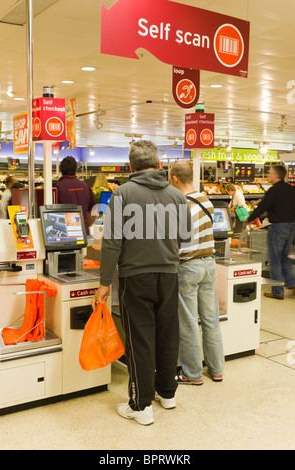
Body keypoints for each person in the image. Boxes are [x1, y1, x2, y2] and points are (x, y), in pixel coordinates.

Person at [92, 140, 191, 426]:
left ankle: (140, 405)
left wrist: (104, 282)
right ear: (160, 165)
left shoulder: (122, 193)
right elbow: (184, 238)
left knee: (140, 340)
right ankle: (167, 393)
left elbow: (112, 242)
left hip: (136, 277)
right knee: (167, 334)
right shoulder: (177, 195)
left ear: (131, 167)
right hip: (169, 275)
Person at [170, 161, 224, 386]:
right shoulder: (206, 200)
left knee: (189, 321)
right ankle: (217, 369)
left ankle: (192, 374)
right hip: (209, 265)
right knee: (211, 319)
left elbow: (176, 241)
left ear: (174, 179)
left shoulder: (180, 205)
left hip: (188, 267)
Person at [247, 164, 295, 299]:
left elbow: (263, 207)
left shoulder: (274, 190)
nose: (268, 175)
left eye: (269, 173)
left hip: (278, 228)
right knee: (284, 258)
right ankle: (292, 283)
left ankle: (277, 292)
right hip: (291, 227)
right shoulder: (291, 190)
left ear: (275, 175)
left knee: (274, 261)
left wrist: (249, 218)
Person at [56, 156, 96, 235]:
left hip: (64, 234)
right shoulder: (85, 186)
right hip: (84, 233)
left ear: (61, 171)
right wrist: (86, 224)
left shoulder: (58, 188)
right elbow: (94, 211)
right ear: (76, 170)